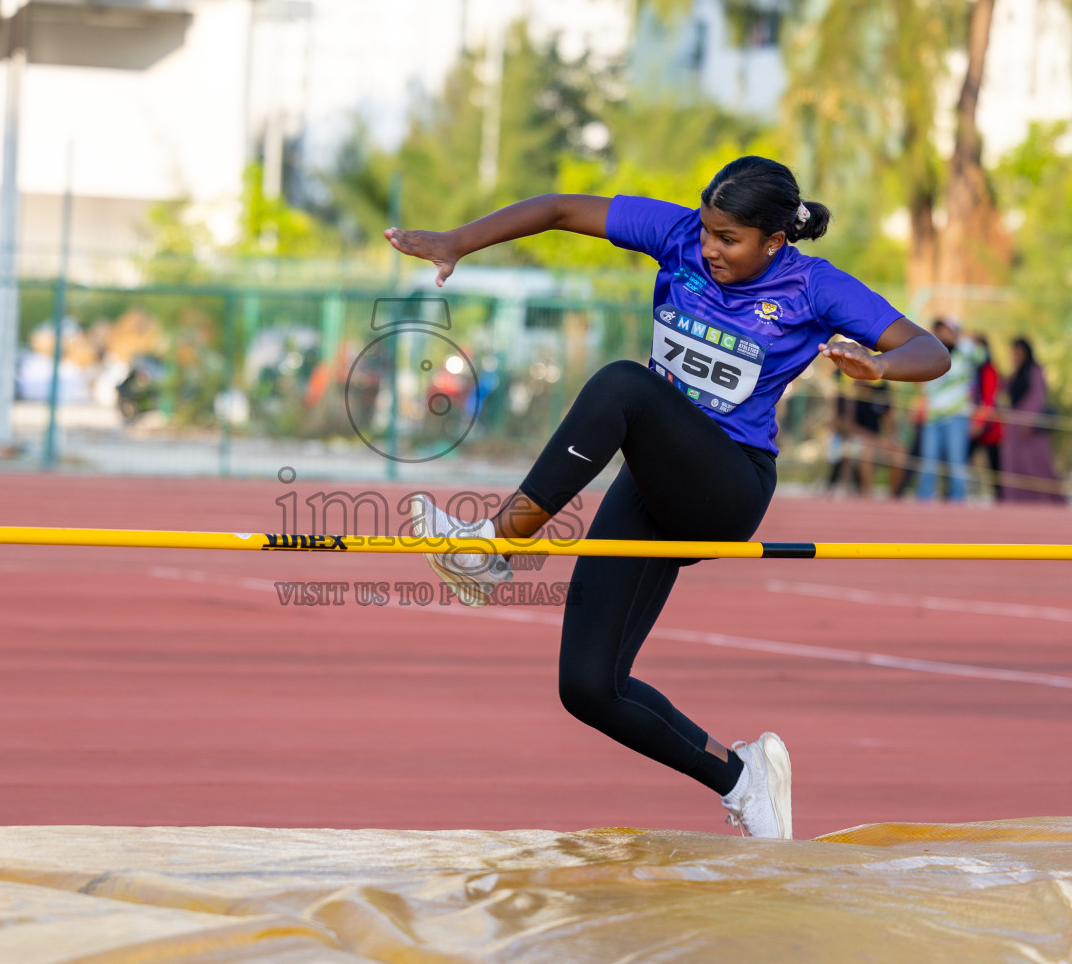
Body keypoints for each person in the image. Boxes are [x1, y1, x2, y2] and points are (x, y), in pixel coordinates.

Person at [384, 157, 949, 839]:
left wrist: (881, 366)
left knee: (624, 385)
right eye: (708, 230)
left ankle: (495, 548)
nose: (710, 249)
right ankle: (743, 780)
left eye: (729, 240)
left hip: (729, 486)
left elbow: (930, 350)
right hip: (653, 483)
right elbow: (563, 209)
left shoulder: (813, 285)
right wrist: (457, 242)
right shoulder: (677, 234)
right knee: (588, 688)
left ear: (775, 241)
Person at [916, 318, 982, 501]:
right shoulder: (930, 353)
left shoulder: (965, 352)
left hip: (957, 416)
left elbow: (982, 356)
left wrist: (960, 339)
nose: (942, 334)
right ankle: (923, 504)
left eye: (946, 330)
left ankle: (957, 505)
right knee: (928, 463)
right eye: (939, 331)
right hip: (933, 416)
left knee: (956, 464)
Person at [1000, 337, 1067, 504]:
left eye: (1019, 352)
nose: (1016, 355)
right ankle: (1018, 501)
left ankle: (1053, 501)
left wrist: (1028, 420)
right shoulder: (1017, 373)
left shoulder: (1035, 371)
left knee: (1039, 464)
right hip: (1014, 427)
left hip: (1030, 428)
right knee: (1015, 465)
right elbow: (1004, 389)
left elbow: (1037, 397)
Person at [969, 335, 1004, 501]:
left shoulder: (989, 370)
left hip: (988, 427)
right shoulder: (970, 370)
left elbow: (989, 400)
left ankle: (1001, 500)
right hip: (974, 425)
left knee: (994, 467)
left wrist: (979, 423)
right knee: (964, 462)